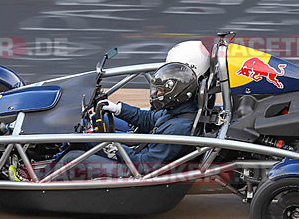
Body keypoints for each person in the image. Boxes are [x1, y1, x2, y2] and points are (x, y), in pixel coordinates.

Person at [37, 62, 201, 181]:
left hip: (137, 173)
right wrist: (118, 109)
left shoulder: (178, 128)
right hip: (140, 155)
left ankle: (37, 180)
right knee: (90, 131)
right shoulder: (177, 110)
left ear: (176, 93)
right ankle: (46, 166)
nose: (155, 95)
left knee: (72, 158)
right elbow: (149, 119)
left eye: (160, 91)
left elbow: (145, 166)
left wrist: (111, 145)